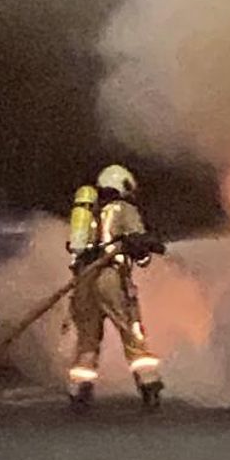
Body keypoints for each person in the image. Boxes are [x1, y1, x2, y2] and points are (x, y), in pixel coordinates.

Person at [66, 164, 165, 410]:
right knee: (132, 333)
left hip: (83, 281)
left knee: (87, 340)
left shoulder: (89, 213)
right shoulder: (124, 209)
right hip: (110, 278)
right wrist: (148, 247)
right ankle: (149, 387)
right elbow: (139, 248)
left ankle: (80, 393)